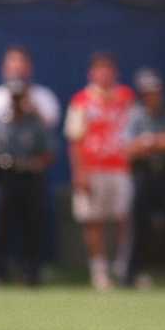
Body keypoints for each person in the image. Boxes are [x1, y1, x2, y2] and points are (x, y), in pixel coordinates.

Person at [0, 80, 55, 285]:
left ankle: (31, 273)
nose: (17, 102)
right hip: (2, 177)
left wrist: (38, 163)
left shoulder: (34, 122)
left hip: (28, 177)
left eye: (21, 97)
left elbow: (49, 150)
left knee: (31, 226)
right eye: (14, 97)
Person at [64, 52, 135, 290]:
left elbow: (134, 131)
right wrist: (79, 172)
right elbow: (75, 140)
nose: (104, 74)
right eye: (99, 69)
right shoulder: (81, 101)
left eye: (108, 69)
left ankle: (123, 268)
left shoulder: (126, 98)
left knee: (123, 219)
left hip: (120, 168)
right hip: (93, 168)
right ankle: (99, 271)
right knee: (93, 221)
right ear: (91, 73)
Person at [123, 68, 165, 287]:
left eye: (155, 91)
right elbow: (129, 149)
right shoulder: (135, 115)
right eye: (148, 92)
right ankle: (131, 275)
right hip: (144, 176)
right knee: (139, 227)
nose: (152, 96)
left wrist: (151, 142)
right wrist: (154, 143)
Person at [0, 45, 61, 129]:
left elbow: (51, 125)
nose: (17, 69)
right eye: (13, 66)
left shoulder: (44, 96)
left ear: (29, 68)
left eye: (21, 65)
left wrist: (33, 108)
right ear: (5, 69)